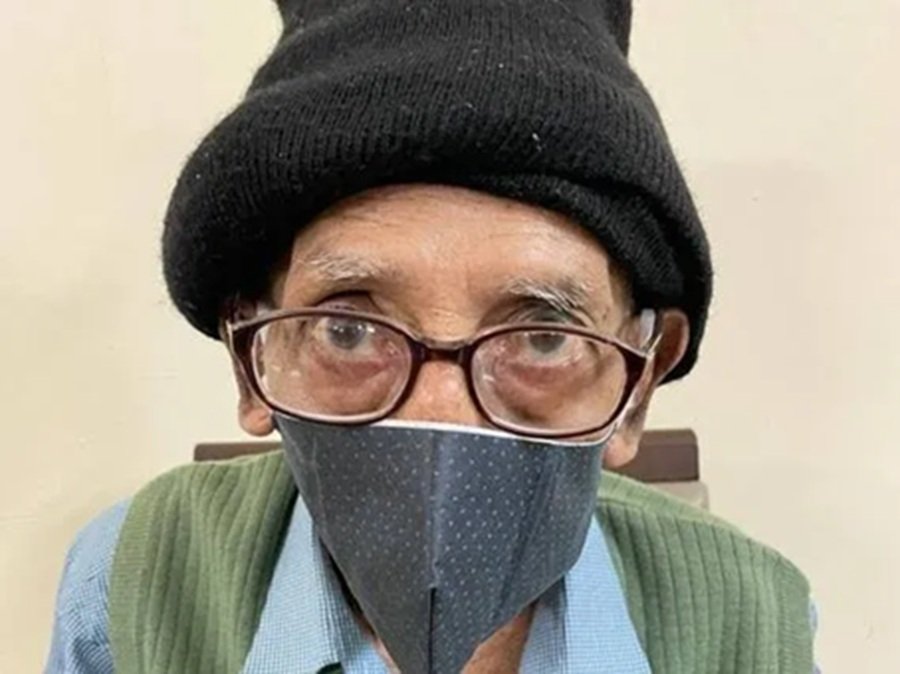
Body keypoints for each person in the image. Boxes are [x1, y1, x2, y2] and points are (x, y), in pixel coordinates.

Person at [45, 1, 816, 672]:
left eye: (543, 338)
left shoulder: (754, 622)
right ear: (251, 362)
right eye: (348, 330)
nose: (441, 416)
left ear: (639, 385)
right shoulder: (127, 581)